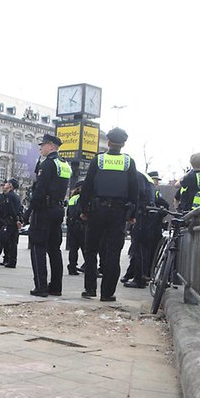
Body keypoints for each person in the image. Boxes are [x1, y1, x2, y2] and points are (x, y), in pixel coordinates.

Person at [78, 128, 139, 301]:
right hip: (119, 212)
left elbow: (87, 187)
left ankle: (90, 289)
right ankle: (107, 293)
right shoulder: (129, 162)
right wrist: (132, 214)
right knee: (113, 252)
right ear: (124, 144)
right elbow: (134, 191)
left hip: (97, 210)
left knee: (91, 250)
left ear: (109, 143)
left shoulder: (99, 159)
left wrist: (84, 210)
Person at [27, 134, 71, 297]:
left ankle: (41, 286)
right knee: (54, 249)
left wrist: (28, 212)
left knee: (38, 247)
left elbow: (40, 190)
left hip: (43, 210)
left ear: (51, 146)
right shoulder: (64, 164)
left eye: (43, 145)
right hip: (58, 209)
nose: (40, 148)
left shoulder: (48, 164)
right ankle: (56, 287)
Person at [124, 171, 169, 288]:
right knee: (143, 250)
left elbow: (137, 196)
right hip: (148, 218)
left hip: (143, 217)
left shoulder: (138, 177)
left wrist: (131, 215)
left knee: (139, 249)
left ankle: (139, 279)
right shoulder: (147, 181)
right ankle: (140, 276)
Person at [65, 181, 85, 275]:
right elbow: (81, 212)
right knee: (86, 249)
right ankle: (89, 267)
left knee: (73, 249)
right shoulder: (82, 198)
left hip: (72, 226)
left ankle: (72, 267)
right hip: (81, 226)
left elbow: (68, 213)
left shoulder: (72, 198)